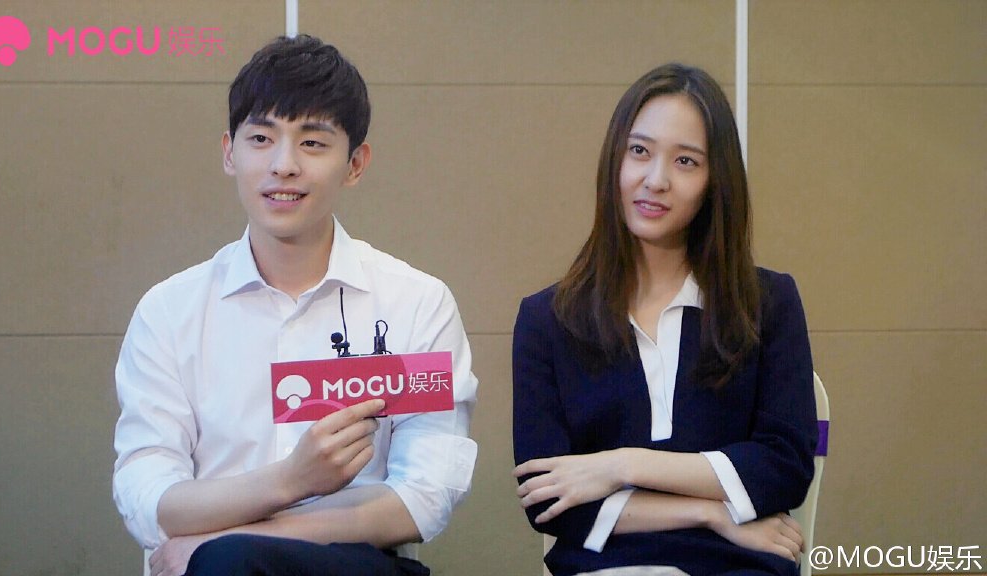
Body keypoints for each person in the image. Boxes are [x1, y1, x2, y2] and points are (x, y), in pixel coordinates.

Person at [112, 35, 478, 576]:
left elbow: (426, 494)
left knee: (229, 559)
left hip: (357, 568)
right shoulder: (169, 312)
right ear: (229, 153)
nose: (283, 165)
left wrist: (234, 540)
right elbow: (148, 499)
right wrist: (291, 480)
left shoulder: (417, 302)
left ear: (355, 164)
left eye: (312, 143)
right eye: (261, 138)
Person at [511, 63, 817, 576]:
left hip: (739, 565)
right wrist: (708, 511)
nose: (656, 180)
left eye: (685, 161)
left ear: (714, 181)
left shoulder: (768, 303)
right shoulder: (547, 319)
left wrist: (620, 465)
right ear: (614, 159)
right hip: (605, 568)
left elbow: (783, 468)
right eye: (639, 151)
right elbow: (548, 497)